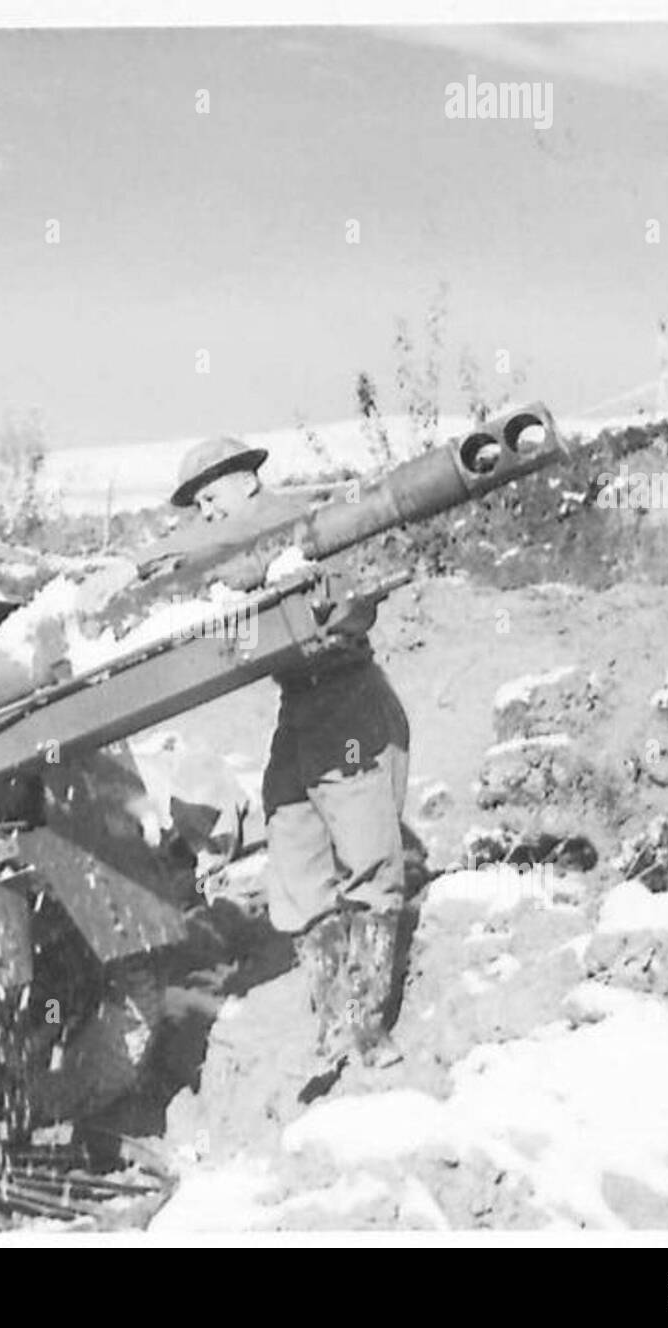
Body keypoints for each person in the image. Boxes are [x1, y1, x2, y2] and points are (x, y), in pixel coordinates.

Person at [147, 438, 411, 1074]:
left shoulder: (304, 525)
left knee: (368, 859)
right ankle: (331, 1021)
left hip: (348, 700)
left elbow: (362, 594)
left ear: (244, 481)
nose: (207, 514)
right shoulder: (233, 550)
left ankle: (369, 1029)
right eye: (200, 507)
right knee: (293, 855)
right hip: (300, 708)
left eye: (211, 499)